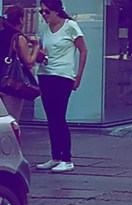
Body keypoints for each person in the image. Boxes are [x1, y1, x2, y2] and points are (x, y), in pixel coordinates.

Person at [33, 0, 84, 173]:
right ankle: (55, 156)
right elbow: (42, 49)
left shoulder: (71, 26)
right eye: (42, 12)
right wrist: (39, 55)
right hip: (45, 74)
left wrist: (78, 76)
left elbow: (83, 50)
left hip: (62, 76)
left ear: (56, 11)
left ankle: (67, 158)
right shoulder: (44, 27)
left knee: (59, 116)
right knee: (51, 117)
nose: (44, 15)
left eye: (47, 12)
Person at [0, 5, 38, 120]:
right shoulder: (18, 38)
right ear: (21, 20)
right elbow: (29, 62)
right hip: (10, 86)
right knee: (11, 123)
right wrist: (36, 46)